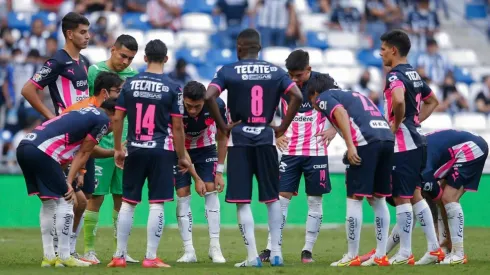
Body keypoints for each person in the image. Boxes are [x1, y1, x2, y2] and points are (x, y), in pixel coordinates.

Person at [205, 28, 303, 267]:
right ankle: (277, 252)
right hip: (266, 138)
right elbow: (298, 96)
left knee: (242, 200)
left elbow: (209, 96)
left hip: (239, 139)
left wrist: (224, 126)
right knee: (272, 199)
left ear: (239, 47)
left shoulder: (228, 70)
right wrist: (281, 128)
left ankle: (252, 257)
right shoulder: (276, 72)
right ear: (259, 48)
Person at [108, 39, 191, 268]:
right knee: (157, 203)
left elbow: (117, 117)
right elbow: (177, 127)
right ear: (166, 59)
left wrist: (118, 148)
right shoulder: (174, 87)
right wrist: (182, 155)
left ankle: (119, 256)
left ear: (144, 58)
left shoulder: (129, 84)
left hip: (134, 148)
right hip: (161, 151)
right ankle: (150, 257)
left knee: (128, 202)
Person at [20, 11, 91, 257]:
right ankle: (62, 253)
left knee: (80, 201)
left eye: (88, 31)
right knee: (70, 200)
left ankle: (65, 251)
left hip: (78, 138)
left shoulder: (84, 62)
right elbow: (28, 89)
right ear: (69, 34)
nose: (88, 36)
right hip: (62, 139)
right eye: (83, 32)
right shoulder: (57, 62)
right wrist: (53, 118)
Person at [16, 99, 116, 268]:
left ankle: (49, 257)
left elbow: (79, 150)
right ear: (114, 114)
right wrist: (68, 181)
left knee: (49, 204)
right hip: (43, 151)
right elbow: (85, 151)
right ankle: (64, 255)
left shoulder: (84, 113)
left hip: (25, 147)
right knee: (67, 199)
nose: (114, 129)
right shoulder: (102, 119)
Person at [307, 73, 394, 267]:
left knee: (355, 198)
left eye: (311, 100)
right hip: (387, 138)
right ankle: (381, 255)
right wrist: (335, 130)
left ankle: (351, 255)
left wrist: (350, 145)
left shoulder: (324, 97)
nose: (314, 105)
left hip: (366, 143)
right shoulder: (354, 94)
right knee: (378, 198)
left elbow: (340, 114)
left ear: (314, 93)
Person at [259, 49, 337, 263]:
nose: (294, 79)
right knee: (281, 200)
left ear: (309, 70)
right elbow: (265, 112)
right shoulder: (282, 84)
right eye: (290, 74)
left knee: (314, 201)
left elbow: (343, 106)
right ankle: (271, 247)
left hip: (316, 151)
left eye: (298, 75)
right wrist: (276, 134)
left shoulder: (324, 83)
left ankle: (307, 251)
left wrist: (334, 130)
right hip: (290, 151)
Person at [379, 29, 441, 265]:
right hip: (417, 140)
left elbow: (397, 100)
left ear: (393, 50)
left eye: (383, 49)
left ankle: (405, 251)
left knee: (401, 196)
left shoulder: (395, 75)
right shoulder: (414, 74)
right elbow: (433, 100)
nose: (381, 53)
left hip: (404, 144)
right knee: (415, 195)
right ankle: (434, 248)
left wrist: (395, 125)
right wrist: (415, 122)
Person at [82, 34, 139, 265]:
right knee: (95, 198)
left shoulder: (134, 76)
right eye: (123, 55)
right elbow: (90, 104)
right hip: (102, 144)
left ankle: (121, 251)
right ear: (112, 49)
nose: (126, 62)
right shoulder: (95, 71)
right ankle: (88, 250)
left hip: (126, 145)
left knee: (123, 199)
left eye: (131, 58)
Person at [173, 81, 228, 263]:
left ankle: (215, 247)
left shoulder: (217, 105)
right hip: (181, 151)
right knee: (183, 193)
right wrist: (196, 177)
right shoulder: (175, 106)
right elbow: (178, 142)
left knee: (211, 187)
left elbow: (222, 137)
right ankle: (189, 251)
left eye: (197, 107)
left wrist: (219, 171)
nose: (193, 110)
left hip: (206, 148)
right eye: (189, 106)